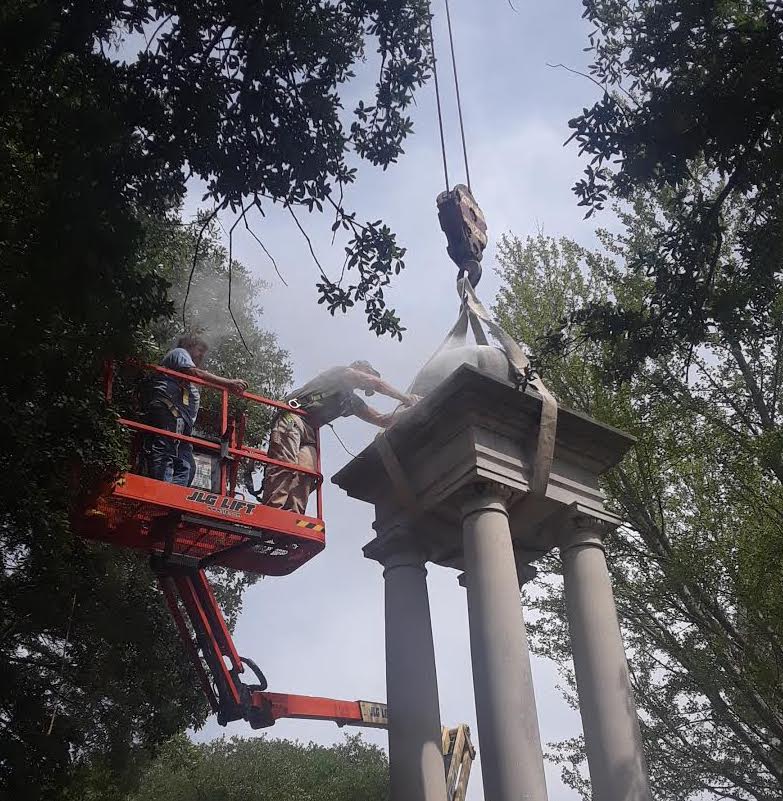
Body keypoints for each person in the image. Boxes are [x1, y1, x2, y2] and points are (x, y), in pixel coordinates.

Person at [262, 361, 417, 513]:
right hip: (293, 417)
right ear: (360, 367)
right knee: (285, 464)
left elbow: (381, 420)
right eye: (368, 373)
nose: (367, 385)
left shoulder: (351, 401)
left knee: (307, 473)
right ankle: (273, 512)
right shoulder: (341, 373)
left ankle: (292, 516)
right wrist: (405, 398)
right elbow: (373, 382)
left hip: (310, 432)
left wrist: (412, 409)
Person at [146, 334, 248, 486]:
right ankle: (161, 489)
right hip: (168, 409)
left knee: (187, 465)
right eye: (200, 350)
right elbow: (196, 373)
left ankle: (175, 497)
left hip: (179, 420)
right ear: (189, 345)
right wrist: (229, 383)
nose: (201, 356)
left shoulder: (185, 377)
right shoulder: (180, 353)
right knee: (165, 450)